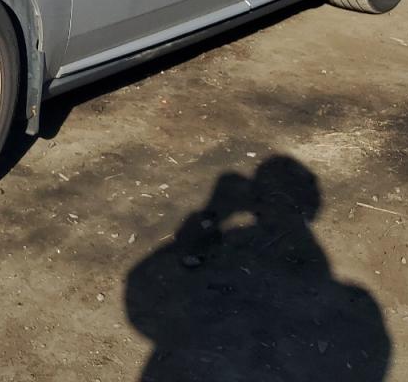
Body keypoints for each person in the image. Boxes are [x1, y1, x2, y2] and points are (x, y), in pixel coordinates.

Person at [124, 156, 390, 381]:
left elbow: (146, 293)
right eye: (266, 195)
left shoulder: (346, 305)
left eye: (279, 196)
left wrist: (214, 212)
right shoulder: (353, 307)